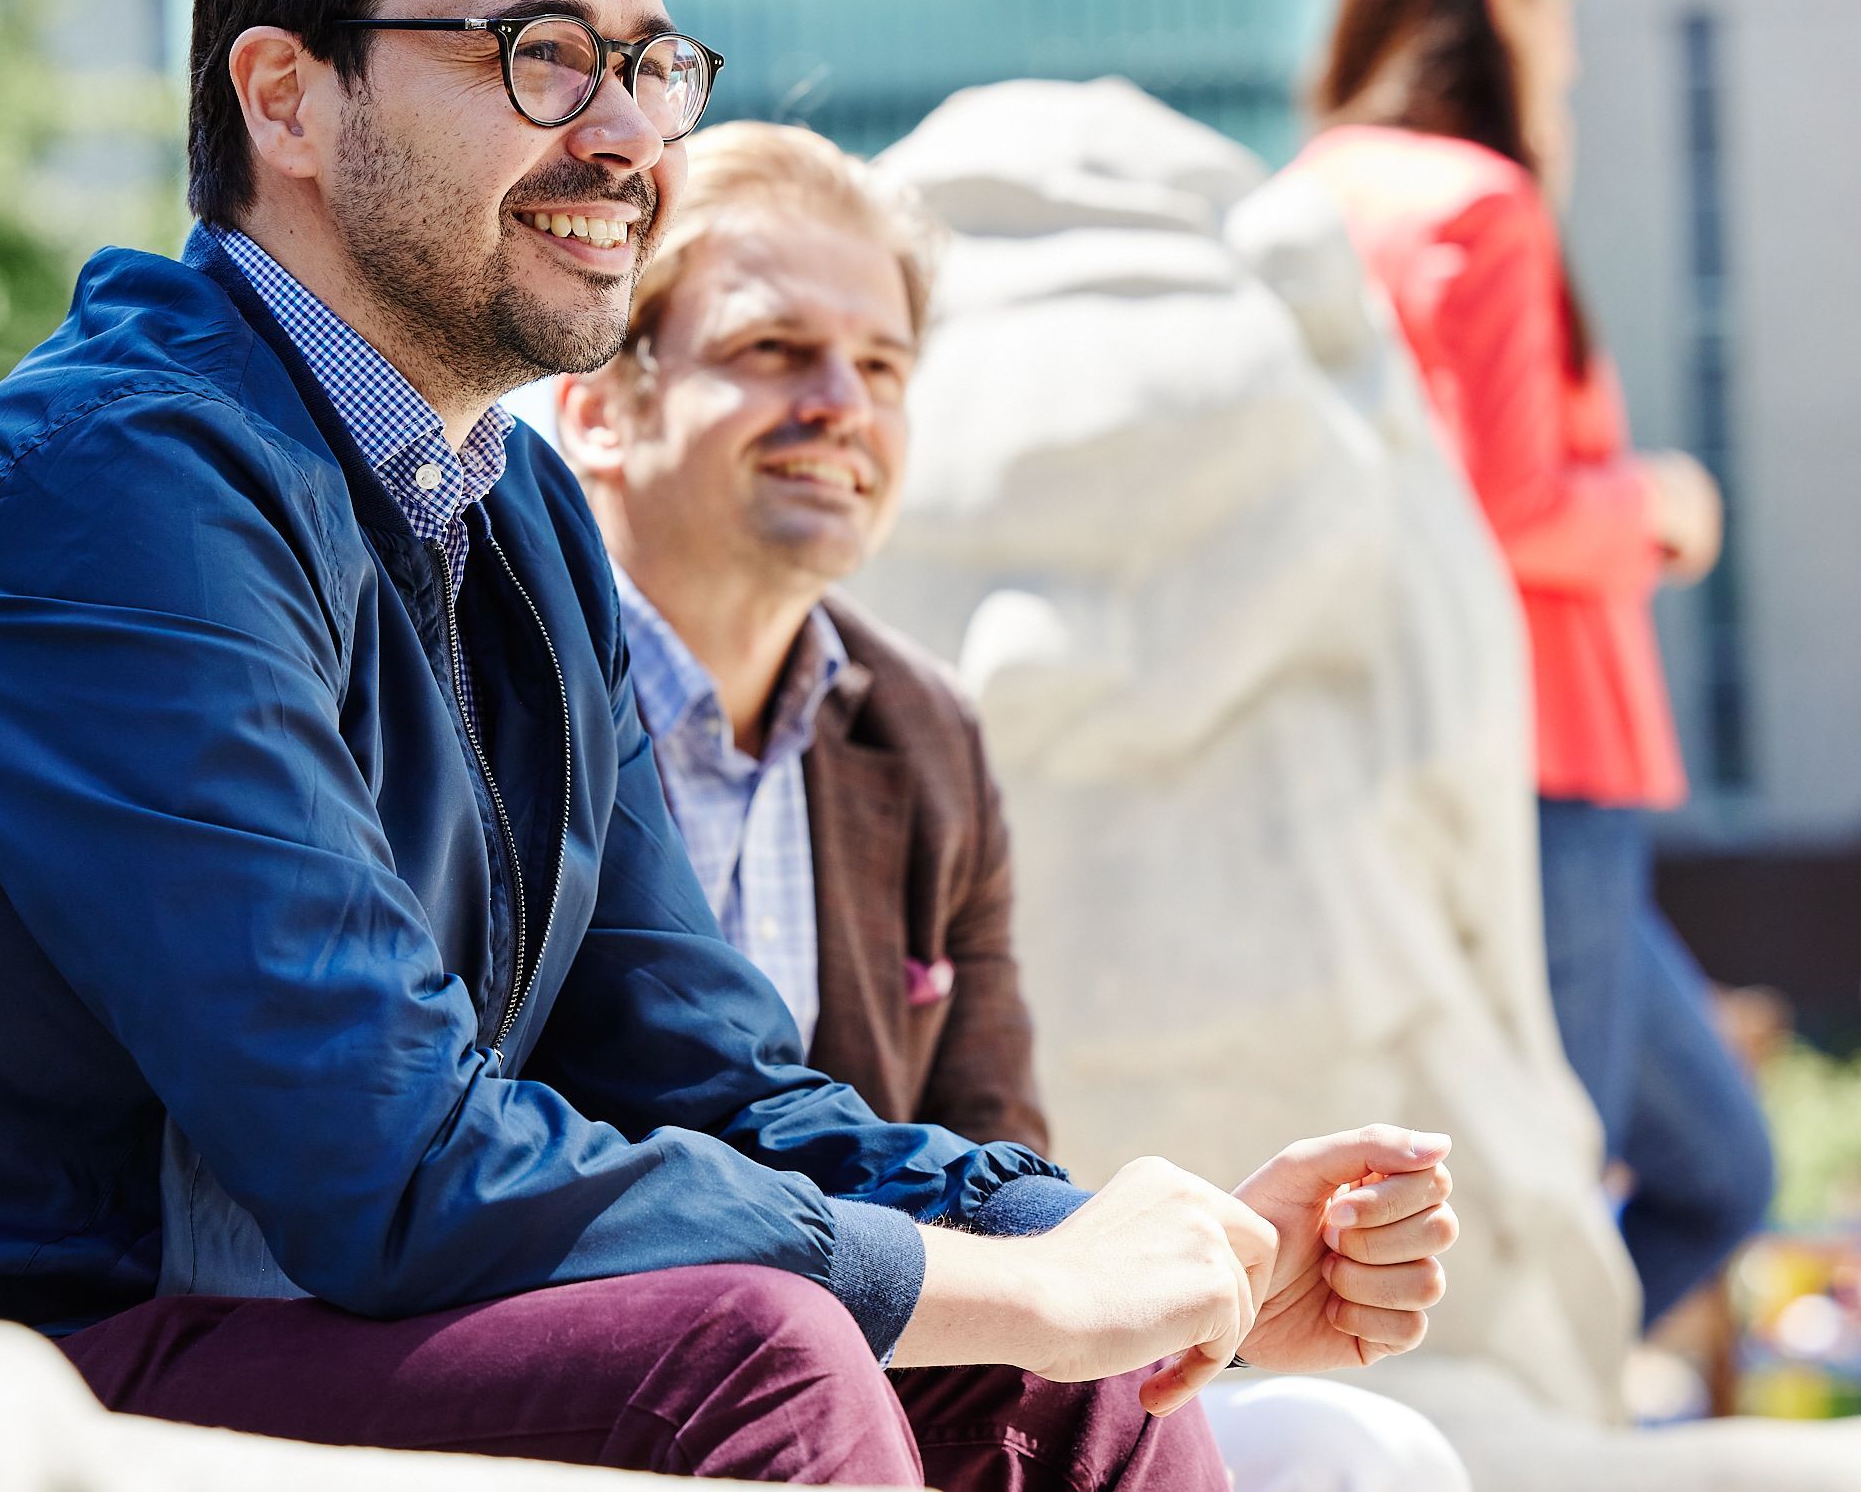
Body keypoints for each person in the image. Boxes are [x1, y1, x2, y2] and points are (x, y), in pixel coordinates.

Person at [0, 0, 1457, 1488]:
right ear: (286, 94)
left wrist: (1130, 1259)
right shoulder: (118, 489)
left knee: (1068, 1392)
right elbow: (393, 1164)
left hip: (244, 1320)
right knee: (753, 1361)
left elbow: (705, 1076)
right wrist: (1015, 1290)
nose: (626, 135)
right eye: (542, 54)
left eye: (650, 65)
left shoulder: (518, 507)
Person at [556, 119, 1472, 1492]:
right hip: (616, 1364)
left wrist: (1218, 1268)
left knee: (1362, 1452)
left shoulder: (924, 740)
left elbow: (990, 1155)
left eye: (880, 366)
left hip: (891, 1358)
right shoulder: (508, 686)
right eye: (770, 351)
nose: (839, 404)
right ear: (600, 406)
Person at [1289, 0, 1774, 1329]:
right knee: (1575, 1166)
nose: (1567, 33)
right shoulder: (1482, 204)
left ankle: (1533, 1405)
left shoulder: (1316, 193)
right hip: (1555, 760)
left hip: (1403, 756)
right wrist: (1667, 510)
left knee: (1711, 1165)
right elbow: (1515, 506)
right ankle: (1525, 1417)